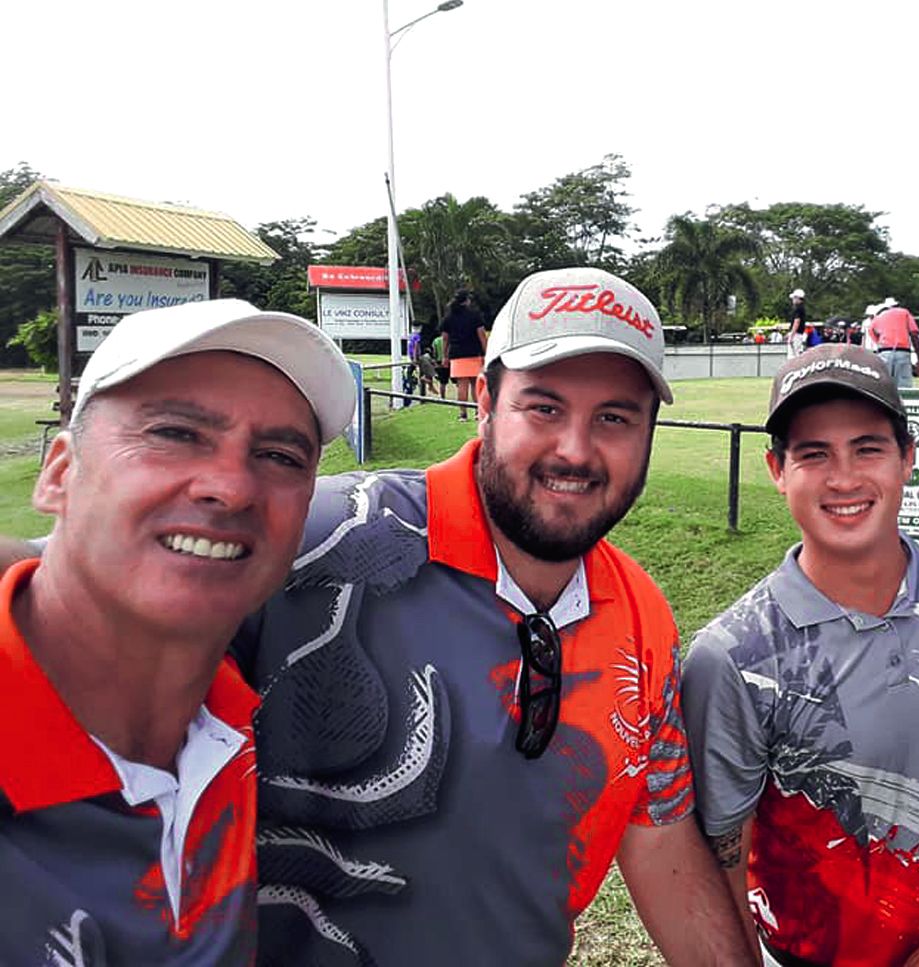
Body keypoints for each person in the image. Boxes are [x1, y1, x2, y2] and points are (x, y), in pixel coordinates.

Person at [237, 269, 753, 967]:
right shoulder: (326, 535)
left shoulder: (641, 615)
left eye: (614, 417)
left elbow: (657, 830)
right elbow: (84, 596)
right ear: (484, 400)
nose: (575, 448)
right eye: (543, 407)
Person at [0, 299, 354, 963]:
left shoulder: (226, 731)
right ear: (59, 474)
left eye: (279, 454)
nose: (231, 486)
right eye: (175, 433)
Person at [681, 344, 919, 967]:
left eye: (867, 448)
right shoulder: (733, 655)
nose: (843, 478)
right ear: (776, 468)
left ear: (908, 458)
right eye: (813, 454)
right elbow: (720, 860)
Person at [439, 288, 489, 422]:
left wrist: (445, 356)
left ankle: (463, 414)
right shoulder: (474, 315)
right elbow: (482, 335)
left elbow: (445, 338)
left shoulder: (449, 317)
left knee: (462, 385)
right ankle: (478, 412)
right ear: (466, 300)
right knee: (475, 384)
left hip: (457, 353)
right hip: (473, 352)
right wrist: (486, 352)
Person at [870, 296, 919, 389]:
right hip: (902, 351)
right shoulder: (905, 313)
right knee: (904, 386)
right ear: (897, 305)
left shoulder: (878, 317)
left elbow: (872, 332)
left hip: (885, 351)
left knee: (884, 386)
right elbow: (914, 333)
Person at [788, 288, 808, 357]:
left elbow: (797, 322)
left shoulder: (798, 309)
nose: (793, 300)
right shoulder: (801, 308)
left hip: (796, 334)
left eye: (794, 298)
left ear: (798, 298)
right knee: (796, 353)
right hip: (799, 334)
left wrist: (791, 336)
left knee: (793, 355)